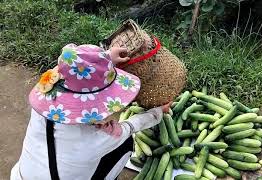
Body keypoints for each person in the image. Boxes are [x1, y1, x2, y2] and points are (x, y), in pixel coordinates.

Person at [10, 43, 171, 180]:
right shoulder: (100, 138)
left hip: (21, 176)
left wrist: (107, 58)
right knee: (126, 143)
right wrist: (157, 112)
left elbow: (75, 68)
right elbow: (131, 126)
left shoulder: (47, 97)